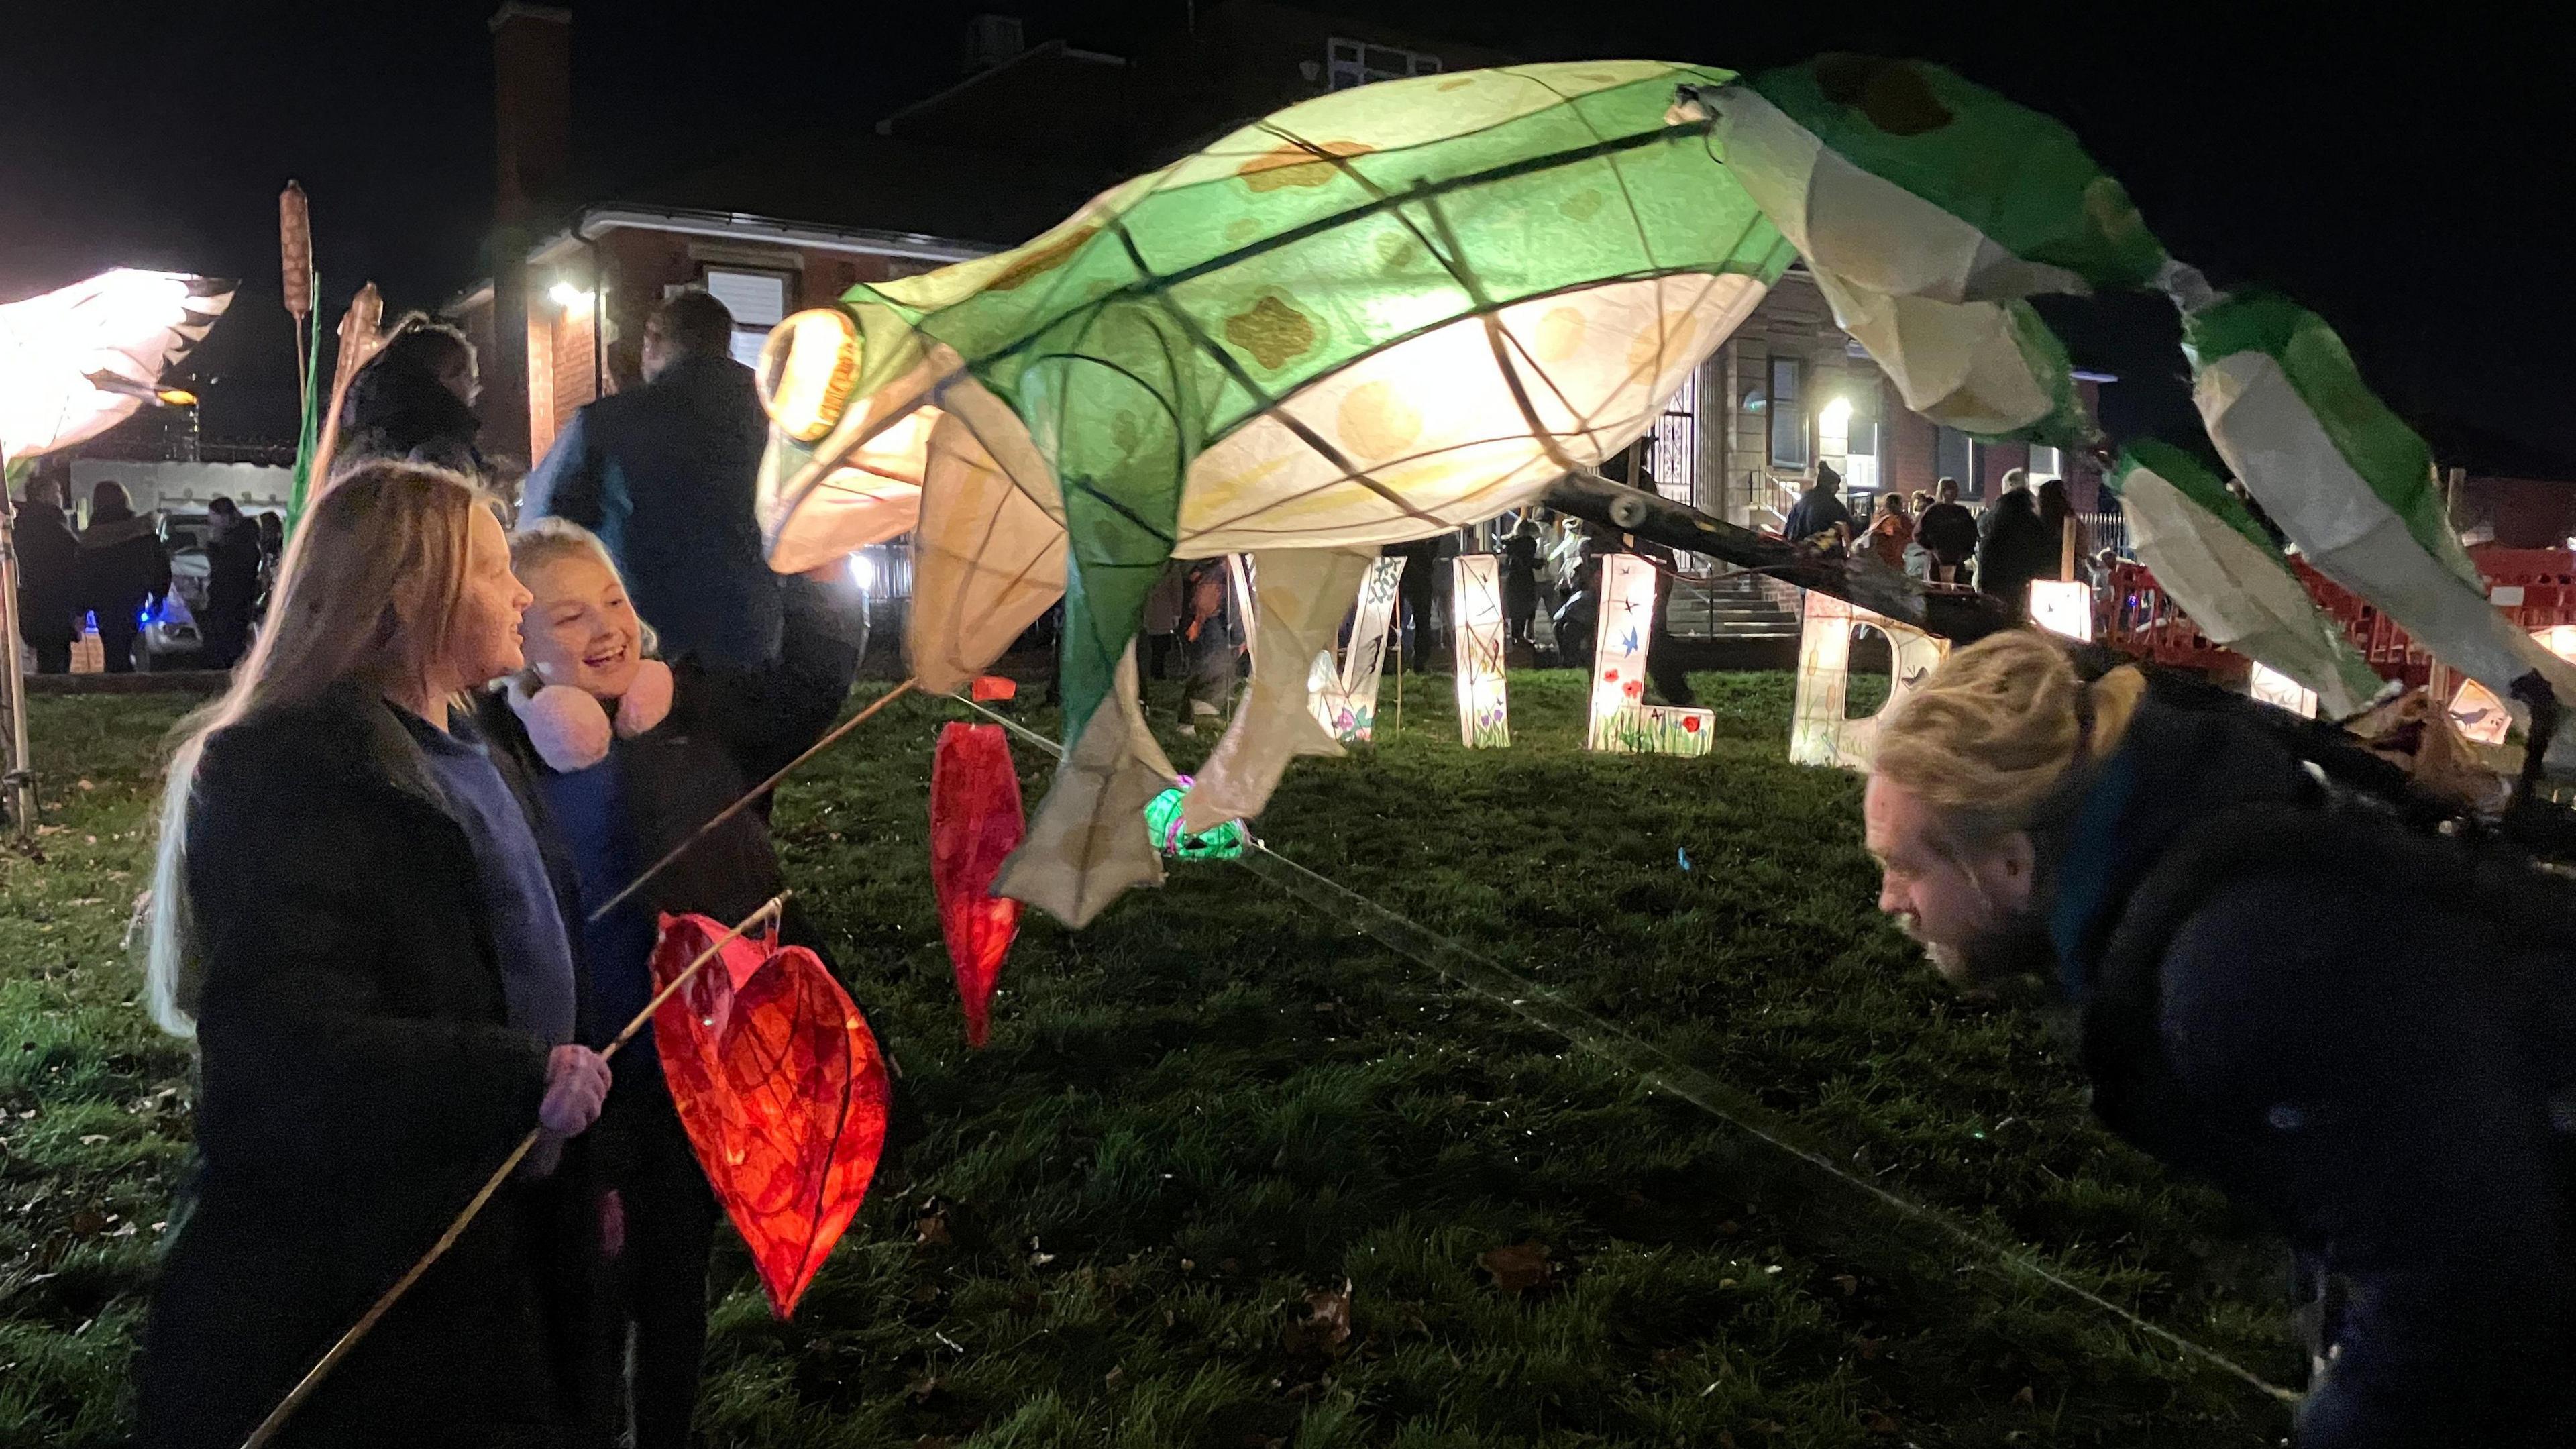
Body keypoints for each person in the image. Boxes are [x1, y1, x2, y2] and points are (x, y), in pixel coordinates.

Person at [1864, 630, 2576, 1448]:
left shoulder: (2239, 970)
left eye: (1904, 867)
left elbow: (2463, 1283)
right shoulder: (2194, 853)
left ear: (2014, 865)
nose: (1889, 901)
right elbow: (2384, 1187)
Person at [135, 462, 610, 1449]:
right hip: (371, 1266)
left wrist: (578, 1166)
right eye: (492, 572)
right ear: (404, 596)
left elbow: (528, 958)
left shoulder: (478, 747)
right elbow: (285, 1042)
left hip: (503, 1232)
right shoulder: (295, 775)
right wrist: (521, 1077)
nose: (520, 594)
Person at [474, 519, 859, 1449]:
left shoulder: (693, 719)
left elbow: (808, 685)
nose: (605, 628)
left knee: (676, 1278)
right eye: (568, 617)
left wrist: (818, 551)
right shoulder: (499, 755)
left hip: (694, 1078)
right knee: (588, 1293)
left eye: (614, 601)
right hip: (576, 1085)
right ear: (516, 643)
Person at [523, 290, 781, 672]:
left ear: (654, 340)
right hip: (754, 632)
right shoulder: (780, 420)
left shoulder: (607, 423)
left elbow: (542, 524)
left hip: (644, 633)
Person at [337, 315, 487, 478]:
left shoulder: (363, 439)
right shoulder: (439, 451)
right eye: (470, 378)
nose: (475, 389)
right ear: (443, 378)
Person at [76, 480, 168, 673]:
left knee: (112, 646)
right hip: (133, 596)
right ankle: (129, 678)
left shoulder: (91, 537)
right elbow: (158, 564)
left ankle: (117, 679)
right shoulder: (141, 529)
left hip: (104, 601)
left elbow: (82, 573)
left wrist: (82, 607)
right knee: (130, 641)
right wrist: (159, 595)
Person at [13, 473, 84, 673]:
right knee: (56, 658)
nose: (61, 497)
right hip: (55, 604)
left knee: (48, 655)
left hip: (34, 603)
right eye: (57, 492)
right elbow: (71, 564)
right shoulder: (52, 525)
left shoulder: (23, 524)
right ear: (43, 495)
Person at [1973, 474, 2055, 619]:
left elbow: (1984, 545)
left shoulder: (1994, 518)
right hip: (2025, 583)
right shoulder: (2034, 522)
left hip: (1995, 581)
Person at [1174, 555, 1241, 732]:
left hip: (1196, 622)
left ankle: (1187, 720)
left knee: (1195, 670)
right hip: (1214, 628)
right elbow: (1233, 606)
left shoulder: (1203, 568)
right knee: (1215, 670)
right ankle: (1199, 715)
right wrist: (1239, 637)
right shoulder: (1227, 572)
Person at [198, 496, 264, 669]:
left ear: (225, 517)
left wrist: (213, 548)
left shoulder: (239, 540)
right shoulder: (243, 537)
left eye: (213, 517)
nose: (211, 522)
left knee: (227, 647)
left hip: (232, 604)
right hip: (231, 602)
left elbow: (227, 570)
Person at [1385, 535, 1443, 671]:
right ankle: (1391, 661)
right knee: (1393, 618)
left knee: (1419, 619)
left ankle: (1418, 662)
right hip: (1408, 563)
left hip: (1412, 563)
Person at [1915, 478, 1978, 585]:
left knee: (1957, 591)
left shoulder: (1962, 513)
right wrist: (1933, 549)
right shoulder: (1933, 512)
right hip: (1937, 560)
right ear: (1942, 491)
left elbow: (1972, 535)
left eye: (1954, 489)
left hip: (1957, 560)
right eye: (1949, 489)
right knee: (1937, 591)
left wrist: (1965, 553)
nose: (1953, 493)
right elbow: (1919, 534)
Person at [1780, 463, 1854, 551]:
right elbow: (1850, 524)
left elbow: (1787, 531)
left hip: (1795, 553)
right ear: (1830, 486)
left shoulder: (1802, 502)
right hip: (1818, 556)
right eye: (1836, 485)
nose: (1838, 489)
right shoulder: (1831, 504)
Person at [1500, 519, 1542, 649]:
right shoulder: (1529, 543)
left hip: (1513, 580)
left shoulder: (1511, 544)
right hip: (1525, 580)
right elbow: (1528, 561)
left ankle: (1515, 640)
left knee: (1515, 612)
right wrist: (1538, 563)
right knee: (1525, 610)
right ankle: (1521, 642)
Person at [1862, 490, 1913, 571]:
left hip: (1878, 558)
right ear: (1894, 504)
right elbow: (1900, 536)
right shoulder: (1897, 520)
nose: (1902, 506)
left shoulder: (1879, 517)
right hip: (1893, 557)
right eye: (1901, 503)